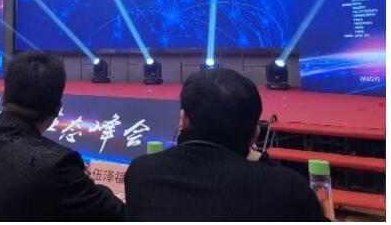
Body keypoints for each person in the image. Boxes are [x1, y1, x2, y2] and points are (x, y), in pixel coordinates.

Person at [0, 51, 125, 221]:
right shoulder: (57, 165)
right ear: (58, 108)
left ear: (3, 96)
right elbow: (115, 213)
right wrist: (86, 182)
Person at [125, 68, 326, 221]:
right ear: (255, 133)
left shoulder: (142, 172)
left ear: (183, 119)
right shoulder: (287, 189)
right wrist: (261, 159)